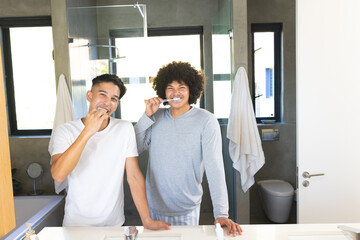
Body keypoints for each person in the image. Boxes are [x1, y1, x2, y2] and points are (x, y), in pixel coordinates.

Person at [134, 62, 242, 236]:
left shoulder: (206, 120)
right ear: (163, 91)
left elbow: (214, 166)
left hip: (186, 208)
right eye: (170, 88)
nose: (176, 92)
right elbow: (136, 148)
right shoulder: (155, 116)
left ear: (191, 89)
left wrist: (221, 213)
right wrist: (146, 116)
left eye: (181, 87)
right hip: (153, 206)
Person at [49, 74, 170, 229]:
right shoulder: (66, 131)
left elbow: (133, 176)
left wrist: (146, 220)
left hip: (114, 224)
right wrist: (88, 131)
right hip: (76, 226)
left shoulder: (124, 129)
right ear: (89, 95)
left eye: (114, 99)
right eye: (102, 95)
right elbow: (58, 174)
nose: (107, 103)